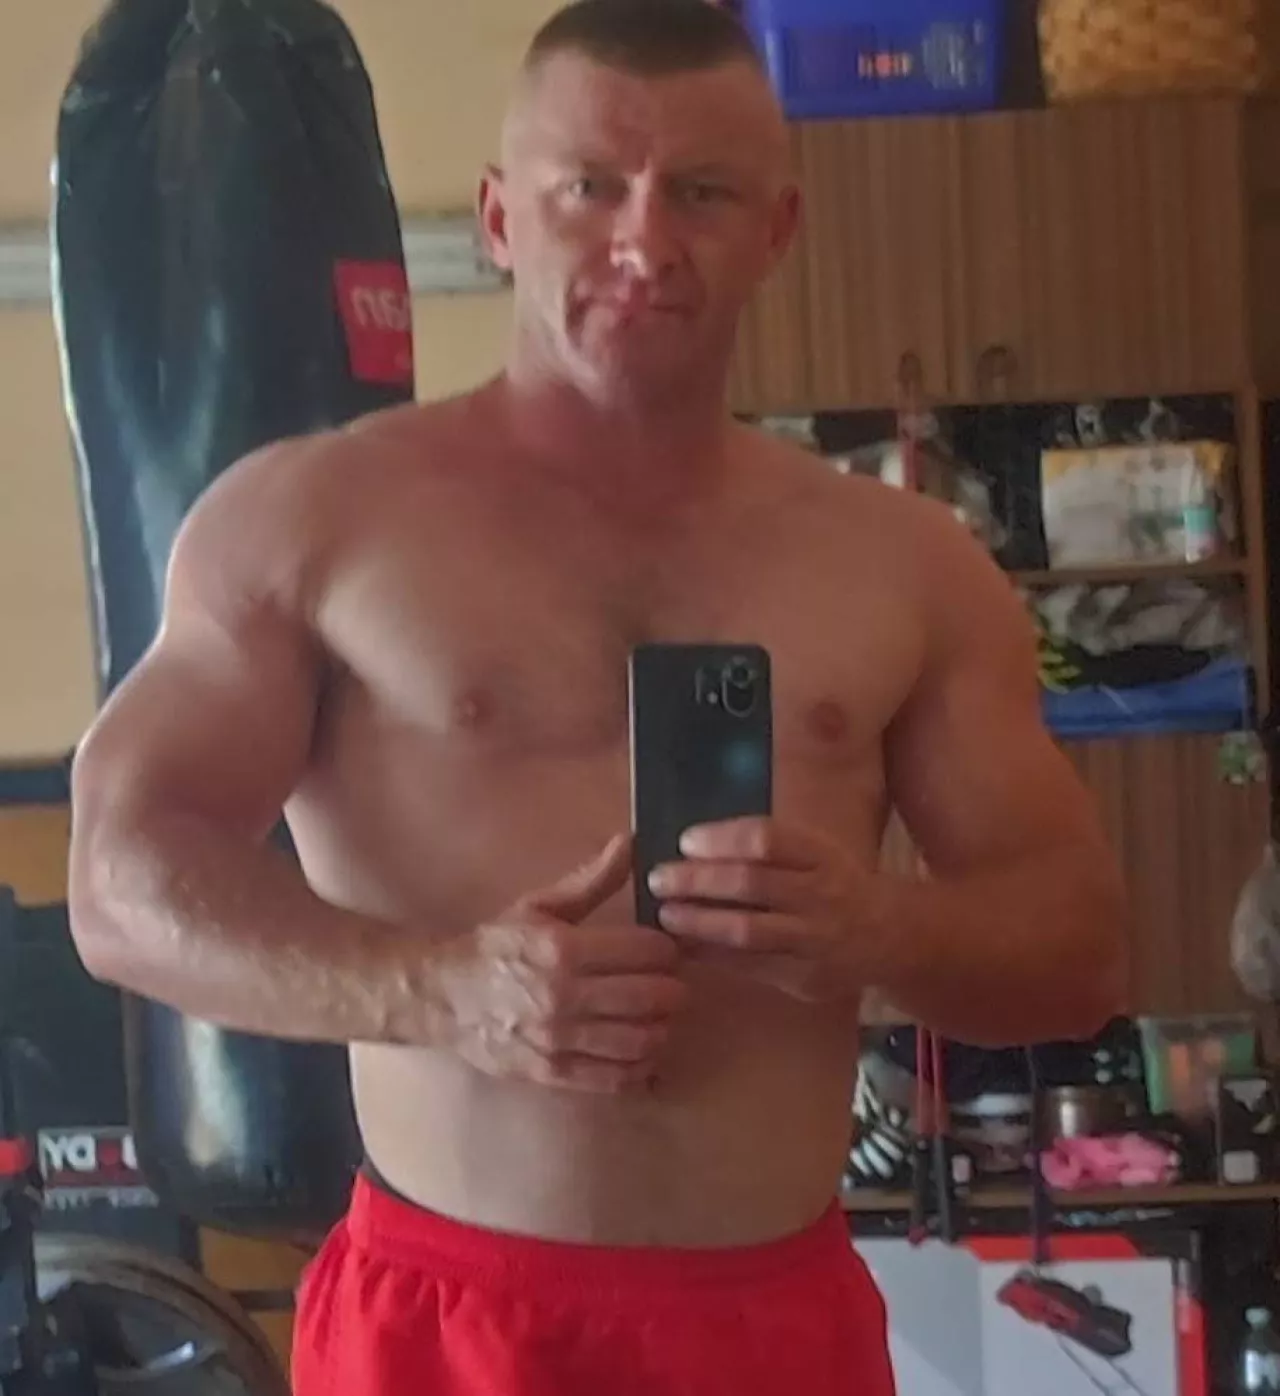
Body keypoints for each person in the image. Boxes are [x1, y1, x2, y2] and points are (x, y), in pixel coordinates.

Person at [66, 0, 1129, 1392]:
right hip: (444, 1321)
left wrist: (879, 926)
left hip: (770, 1322)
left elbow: (1077, 953)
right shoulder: (312, 522)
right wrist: (441, 992)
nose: (645, 243)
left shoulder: (909, 567)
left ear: (778, 229)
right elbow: (119, 885)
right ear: (500, 217)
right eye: (590, 188)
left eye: (702, 193)